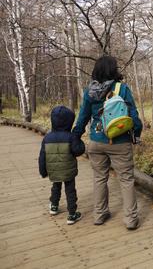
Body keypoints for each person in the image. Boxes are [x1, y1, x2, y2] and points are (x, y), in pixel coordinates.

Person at [72, 55, 143, 230]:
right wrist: (136, 134)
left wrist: (76, 135)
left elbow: (83, 117)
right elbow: (133, 116)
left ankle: (99, 214)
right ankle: (130, 220)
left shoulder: (90, 90)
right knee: (126, 180)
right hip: (120, 141)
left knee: (99, 178)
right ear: (114, 70)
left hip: (96, 141)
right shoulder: (122, 88)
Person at [39, 106, 85, 225]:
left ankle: (54, 206)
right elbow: (78, 151)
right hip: (68, 170)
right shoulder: (70, 137)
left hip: (54, 170)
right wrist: (79, 140)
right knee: (70, 191)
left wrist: (43, 171)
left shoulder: (47, 137)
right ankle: (72, 214)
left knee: (56, 187)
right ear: (69, 122)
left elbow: (42, 156)